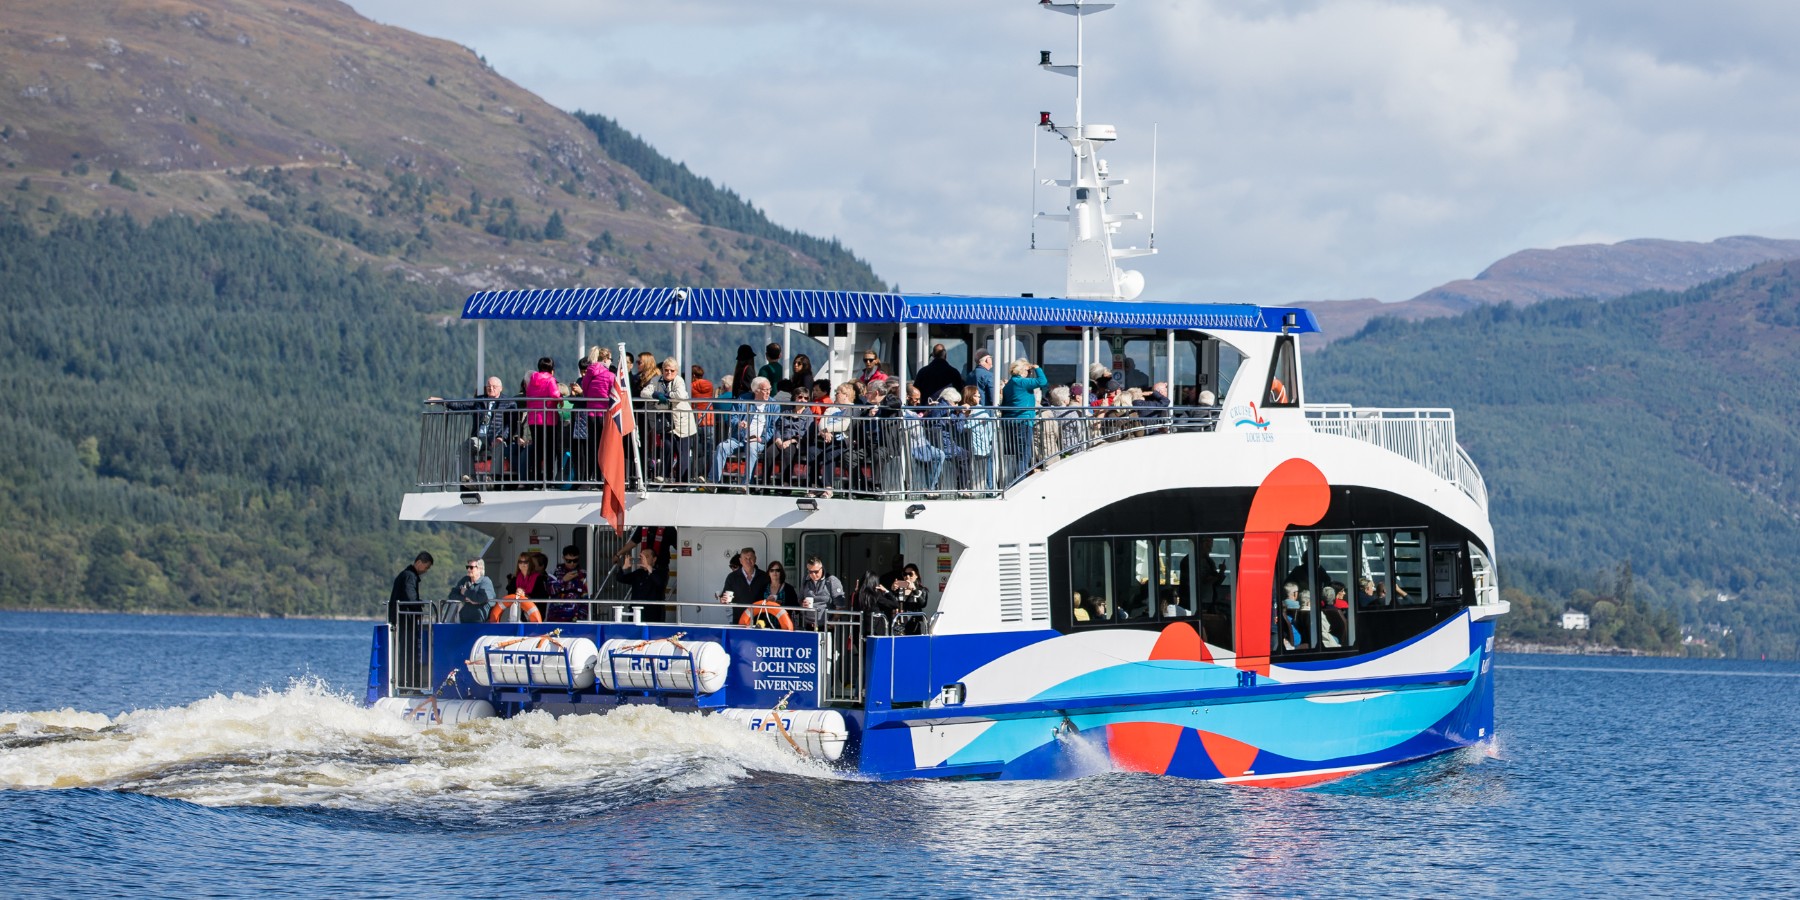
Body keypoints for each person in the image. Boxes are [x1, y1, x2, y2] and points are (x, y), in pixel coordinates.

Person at [439, 377, 520, 483]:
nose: (491, 388)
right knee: (466, 446)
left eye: (494, 386)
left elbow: (510, 424)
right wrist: (443, 401)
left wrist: (502, 437)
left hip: (496, 437)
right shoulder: (480, 401)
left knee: (499, 446)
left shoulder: (509, 403)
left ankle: (493, 478)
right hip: (480, 437)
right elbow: (461, 404)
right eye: (489, 386)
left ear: (501, 388)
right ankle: (469, 478)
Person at [712, 377, 779, 486]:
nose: (768, 392)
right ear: (756, 391)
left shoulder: (774, 405)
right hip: (739, 438)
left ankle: (746, 484)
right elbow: (732, 417)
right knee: (722, 447)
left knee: (751, 448)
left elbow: (773, 427)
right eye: (765, 390)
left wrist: (762, 439)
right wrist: (738, 423)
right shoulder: (743, 400)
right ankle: (713, 481)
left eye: (769, 389)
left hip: (757, 440)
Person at [640, 356, 695, 483]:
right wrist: (655, 394)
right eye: (666, 370)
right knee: (667, 447)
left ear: (676, 371)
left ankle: (682, 482)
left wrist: (667, 395)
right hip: (667, 423)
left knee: (682, 452)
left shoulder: (678, 380)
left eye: (672, 370)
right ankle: (664, 476)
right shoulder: (656, 380)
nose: (668, 373)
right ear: (662, 370)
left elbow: (681, 395)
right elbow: (644, 393)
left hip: (682, 422)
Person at [1000, 357, 1047, 483]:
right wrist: (1037, 368)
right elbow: (1042, 382)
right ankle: (1019, 483)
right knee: (1024, 455)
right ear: (1022, 370)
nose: (1029, 373)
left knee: (1018, 455)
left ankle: (1015, 481)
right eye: (1028, 371)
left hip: (1010, 422)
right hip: (1023, 422)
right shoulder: (1022, 382)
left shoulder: (1009, 384)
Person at [523, 357, 561, 484]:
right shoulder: (550, 380)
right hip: (548, 419)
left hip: (533, 419)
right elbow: (555, 395)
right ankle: (548, 478)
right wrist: (561, 400)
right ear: (551, 369)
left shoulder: (532, 380)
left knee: (537, 449)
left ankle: (536, 478)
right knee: (549, 450)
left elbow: (528, 395)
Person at [614, 543, 669, 622]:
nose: (643, 559)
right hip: (636, 613)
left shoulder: (661, 573)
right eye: (641, 557)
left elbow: (660, 583)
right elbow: (620, 578)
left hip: (653, 615)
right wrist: (624, 568)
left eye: (647, 557)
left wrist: (648, 568)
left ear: (654, 559)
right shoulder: (638, 573)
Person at [962, 384, 997, 491]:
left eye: (979, 396)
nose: (979, 398)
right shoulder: (971, 410)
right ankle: (985, 489)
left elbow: (967, 426)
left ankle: (986, 489)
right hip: (978, 445)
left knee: (981, 469)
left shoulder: (979, 411)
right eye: (977, 396)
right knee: (980, 470)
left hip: (981, 445)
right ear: (970, 396)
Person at [718, 546, 771, 616]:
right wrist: (724, 600)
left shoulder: (764, 576)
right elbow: (726, 598)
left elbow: (769, 595)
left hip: (759, 618)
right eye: (745, 558)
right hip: (739, 619)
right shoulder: (732, 577)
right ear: (741, 561)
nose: (748, 561)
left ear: (755, 559)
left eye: (751, 558)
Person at [798, 556, 847, 630]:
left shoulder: (831, 581)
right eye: (810, 572)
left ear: (822, 568)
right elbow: (800, 598)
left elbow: (840, 605)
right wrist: (803, 604)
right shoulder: (806, 580)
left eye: (816, 572)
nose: (813, 575)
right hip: (808, 625)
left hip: (825, 625)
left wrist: (833, 621)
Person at [442, 558, 495, 624]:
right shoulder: (465, 580)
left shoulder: (486, 582)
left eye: (471, 567)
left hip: (481, 624)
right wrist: (465, 598)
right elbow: (452, 595)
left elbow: (481, 598)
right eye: (467, 567)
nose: (468, 569)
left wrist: (465, 592)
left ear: (480, 569)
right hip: (464, 622)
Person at [389, 551, 433, 626]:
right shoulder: (410, 576)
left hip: (398, 618)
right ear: (419, 562)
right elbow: (411, 596)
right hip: (405, 620)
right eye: (426, 567)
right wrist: (418, 610)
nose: (426, 571)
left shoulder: (405, 574)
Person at [546, 545, 588, 622]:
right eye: (568, 561)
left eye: (575, 560)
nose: (572, 563)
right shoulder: (555, 573)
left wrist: (581, 616)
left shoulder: (584, 574)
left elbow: (587, 597)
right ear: (563, 558)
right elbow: (550, 591)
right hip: (556, 616)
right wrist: (563, 580)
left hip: (576, 617)